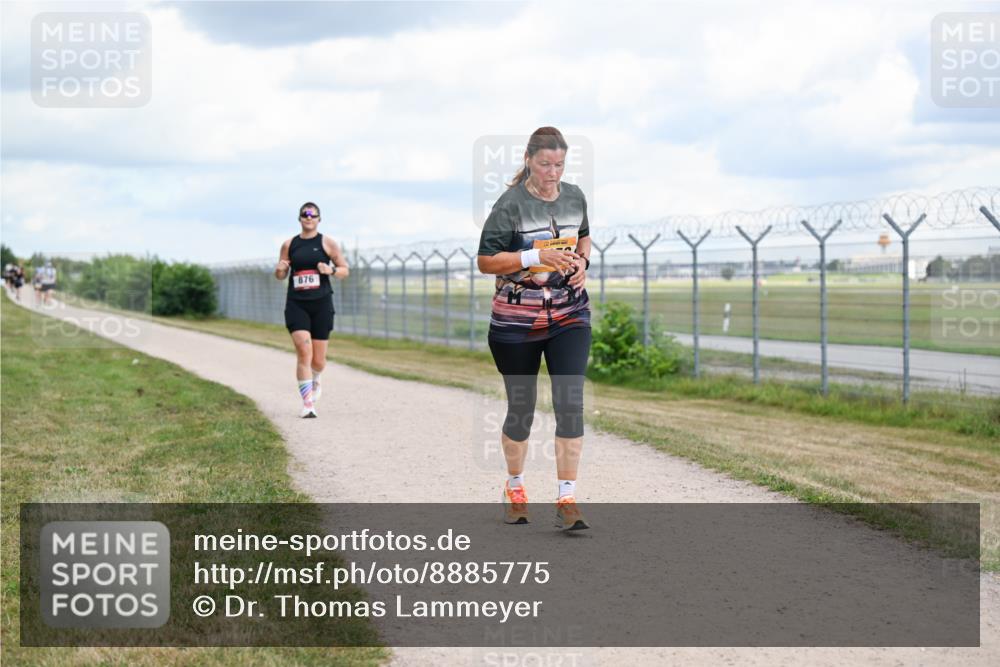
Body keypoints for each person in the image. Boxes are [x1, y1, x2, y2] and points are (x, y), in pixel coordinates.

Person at [476, 126, 592, 531]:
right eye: (545, 164)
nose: (552, 173)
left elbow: (584, 239)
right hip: (517, 321)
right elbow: (486, 261)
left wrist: (582, 264)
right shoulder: (509, 205)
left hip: (569, 314)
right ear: (528, 160)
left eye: (559, 165)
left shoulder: (574, 197)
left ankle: (567, 499)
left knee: (570, 401)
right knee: (522, 408)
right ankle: (515, 487)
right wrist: (532, 257)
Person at [274, 202, 349, 418]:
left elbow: (344, 270)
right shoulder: (289, 244)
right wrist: (280, 270)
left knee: (318, 361)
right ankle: (307, 405)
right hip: (297, 304)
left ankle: (316, 377)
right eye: (305, 214)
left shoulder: (328, 243)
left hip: (321, 304)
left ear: (319, 219)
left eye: (313, 215)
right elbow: (281, 274)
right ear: (299, 218)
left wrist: (330, 270)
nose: (308, 218)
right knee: (304, 351)